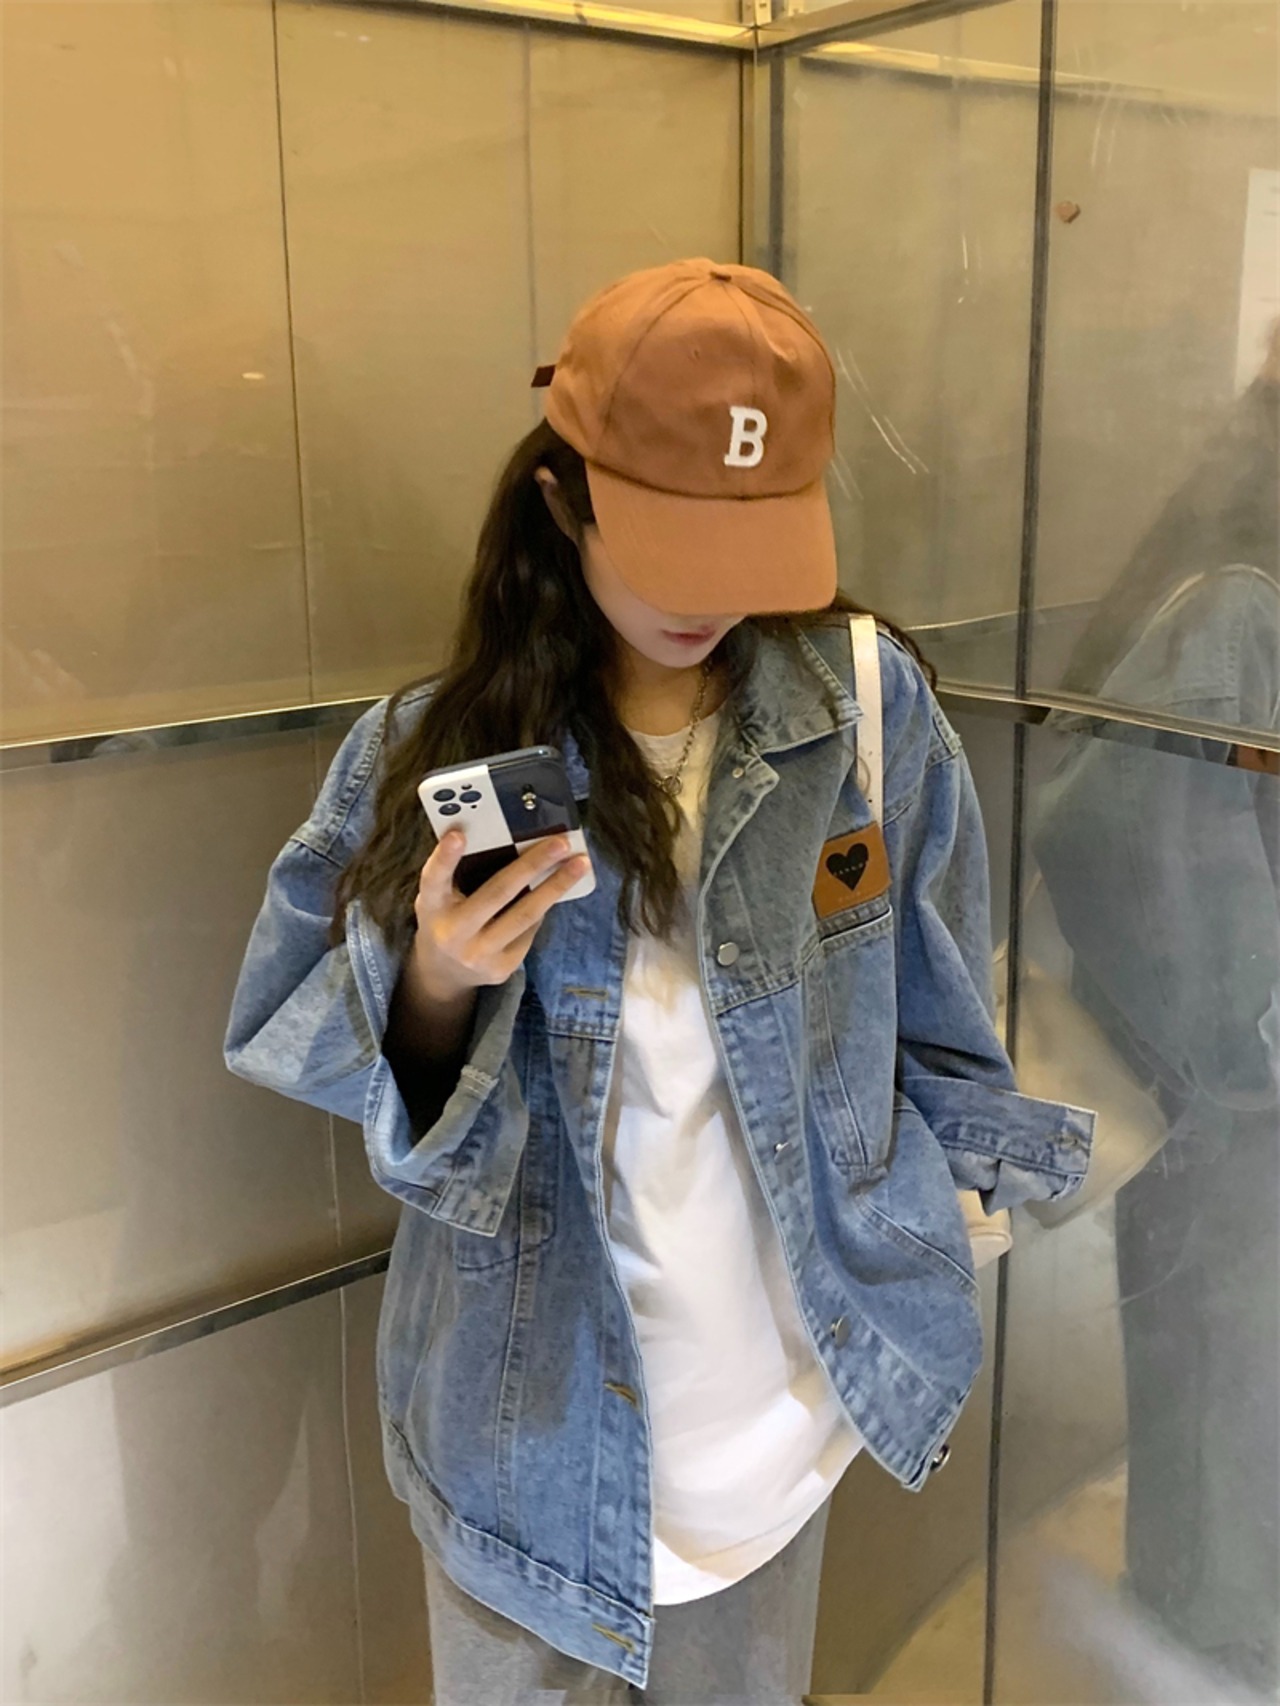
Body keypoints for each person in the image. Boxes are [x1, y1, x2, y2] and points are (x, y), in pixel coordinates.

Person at [225, 258, 1091, 1704]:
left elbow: (939, 1030)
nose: (711, 599)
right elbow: (306, 1043)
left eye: (752, 543)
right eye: (672, 542)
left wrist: (935, 1216)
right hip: (524, 1442)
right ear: (562, 499)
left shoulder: (867, 713)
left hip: (780, 1432)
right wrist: (437, 978)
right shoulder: (434, 754)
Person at [1032, 332, 1279, 1696]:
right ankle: (1215, 1646)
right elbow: (1127, 830)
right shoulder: (1241, 572)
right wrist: (1253, 1040)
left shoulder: (1235, 538)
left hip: (1229, 1087)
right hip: (1232, 1104)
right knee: (1229, 1397)